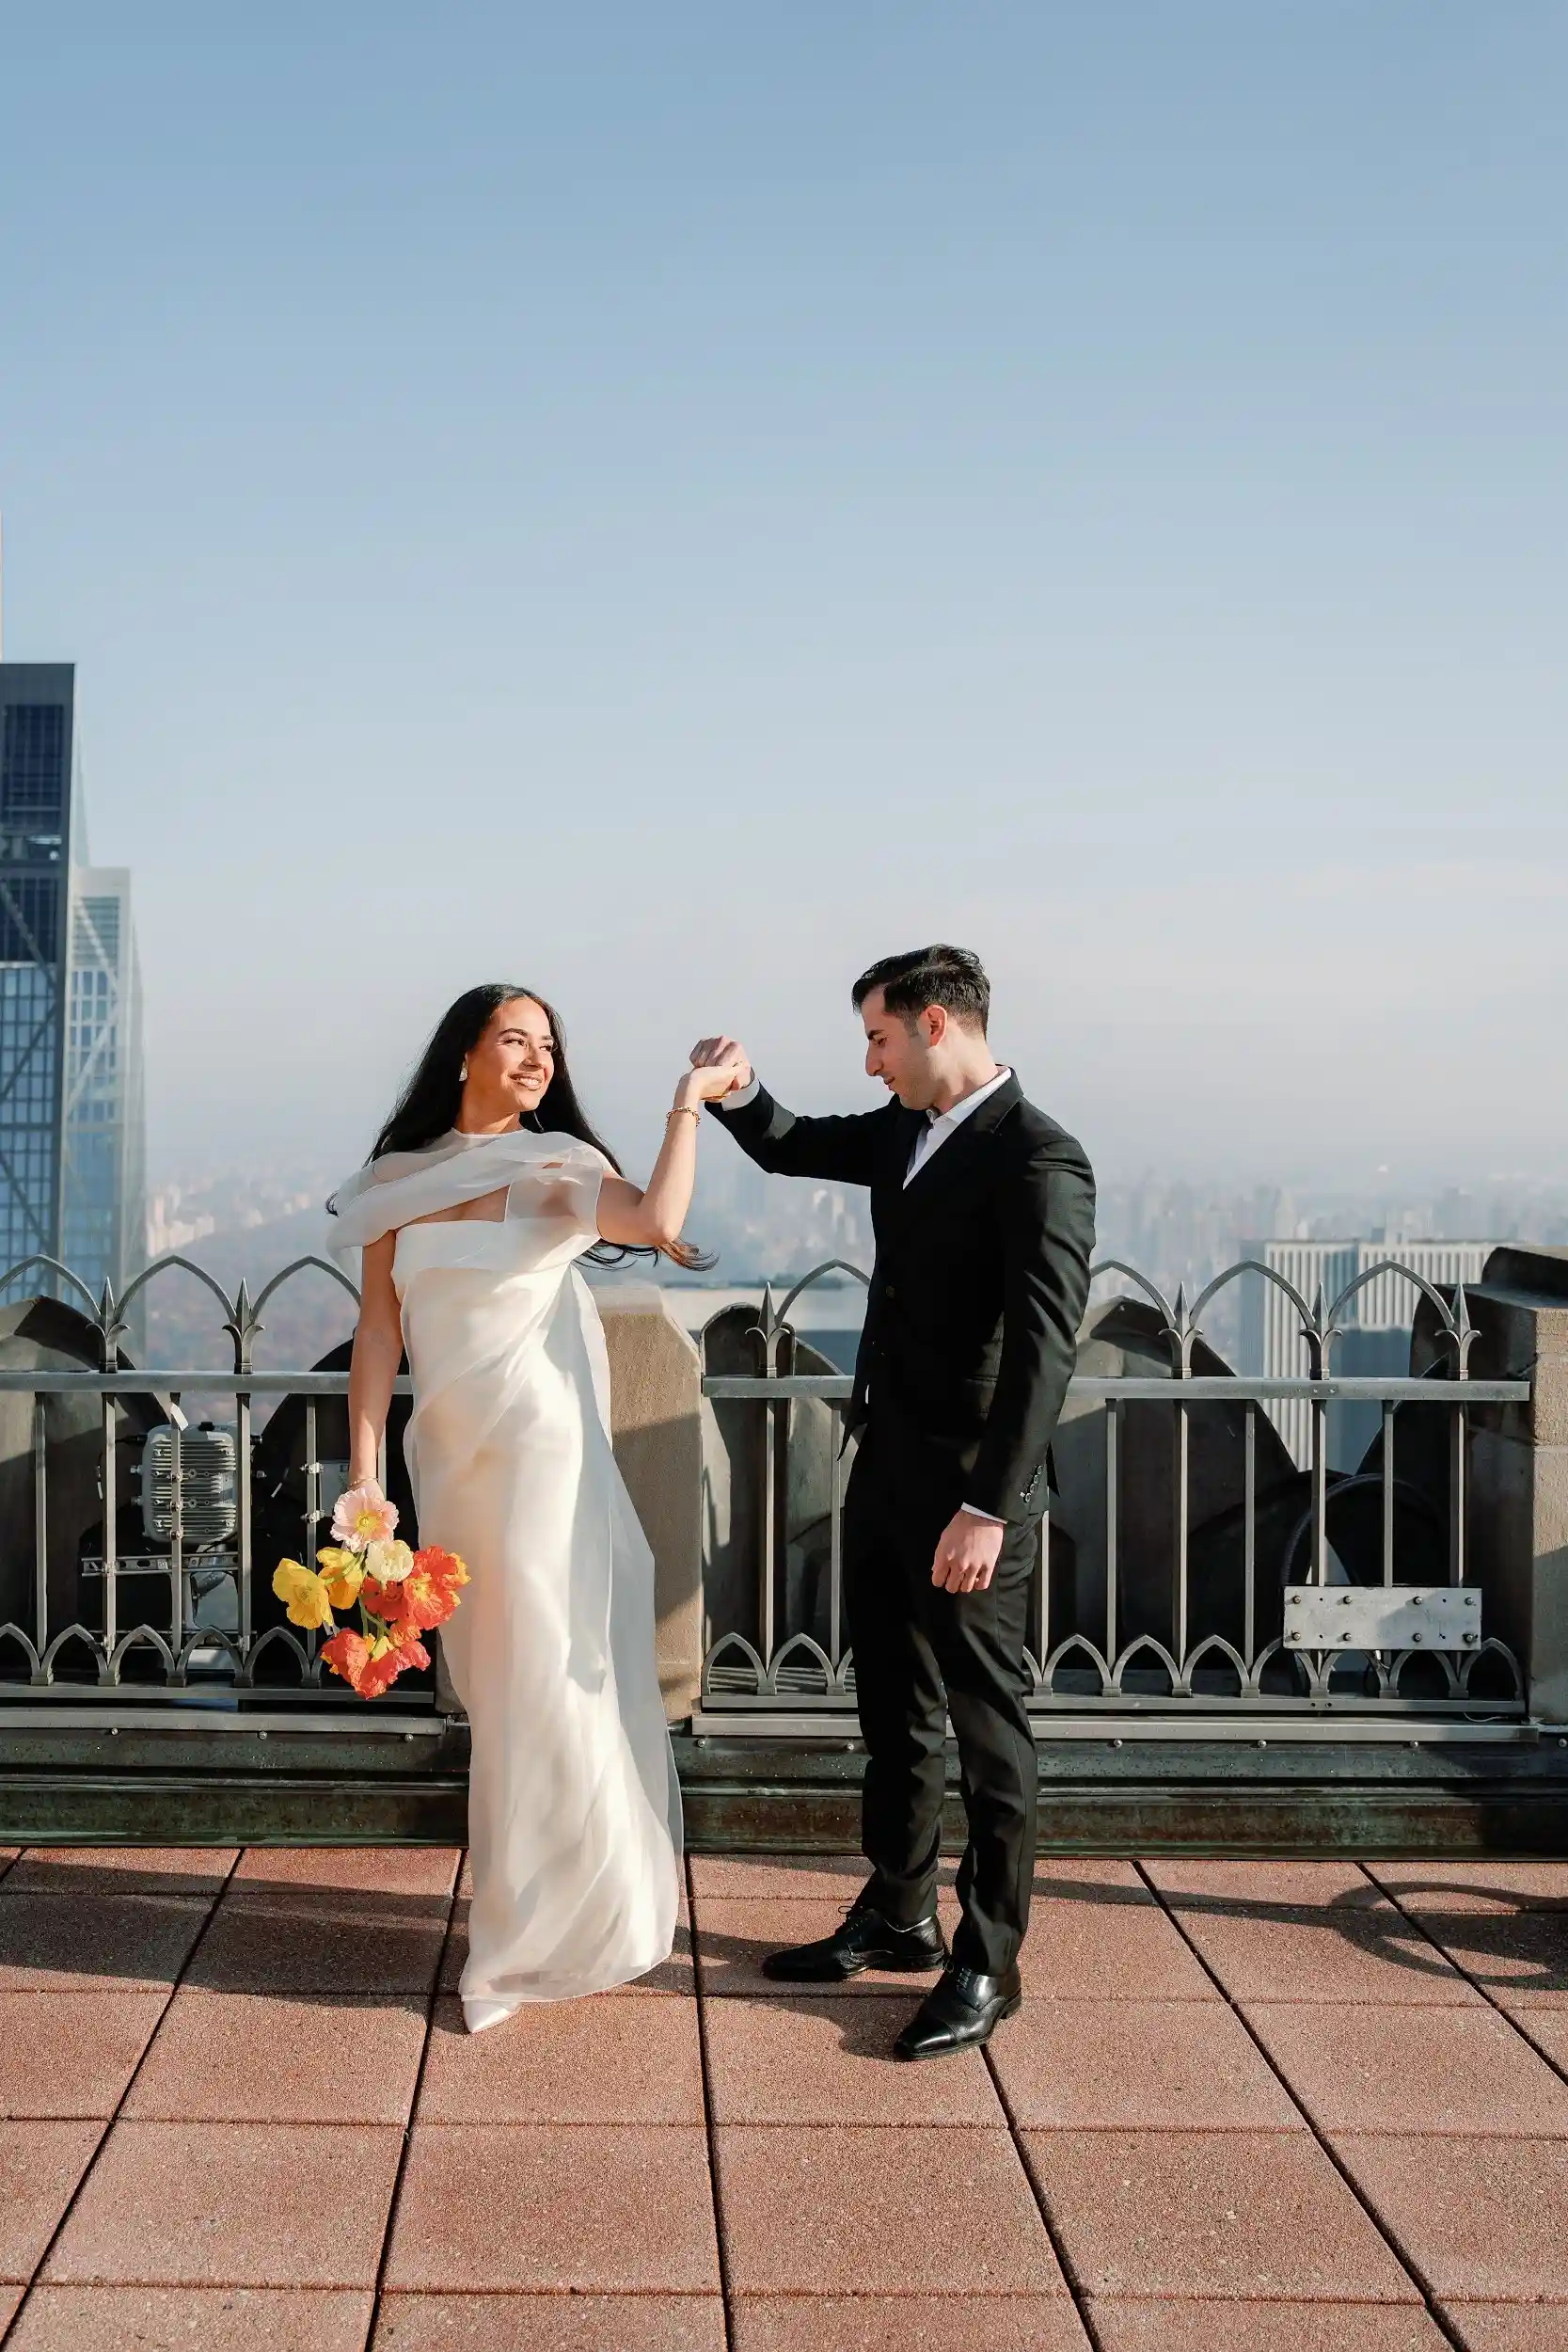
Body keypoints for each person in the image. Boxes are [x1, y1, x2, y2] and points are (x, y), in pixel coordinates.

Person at [692, 945, 1094, 2058]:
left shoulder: (1038, 1160)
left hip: (972, 1496)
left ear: (930, 1024)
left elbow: (1043, 1356)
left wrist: (990, 1507)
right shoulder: (904, 1133)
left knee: (986, 1730)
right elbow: (787, 1144)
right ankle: (900, 1909)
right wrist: (734, 1092)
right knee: (893, 1710)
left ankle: (987, 1960)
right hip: (887, 1469)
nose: (868, 1063)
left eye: (876, 1038)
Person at [327, 983, 746, 2031]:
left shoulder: (558, 1165)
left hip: (540, 1454)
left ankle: (525, 1943)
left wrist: (684, 1102)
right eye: (514, 1039)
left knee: (540, 1679)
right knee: (494, 1682)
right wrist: (365, 1471)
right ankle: (561, 1902)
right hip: (452, 1457)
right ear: (463, 1051)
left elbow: (653, 1223)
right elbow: (380, 1331)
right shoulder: (396, 1179)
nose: (536, 1058)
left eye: (547, 1045)